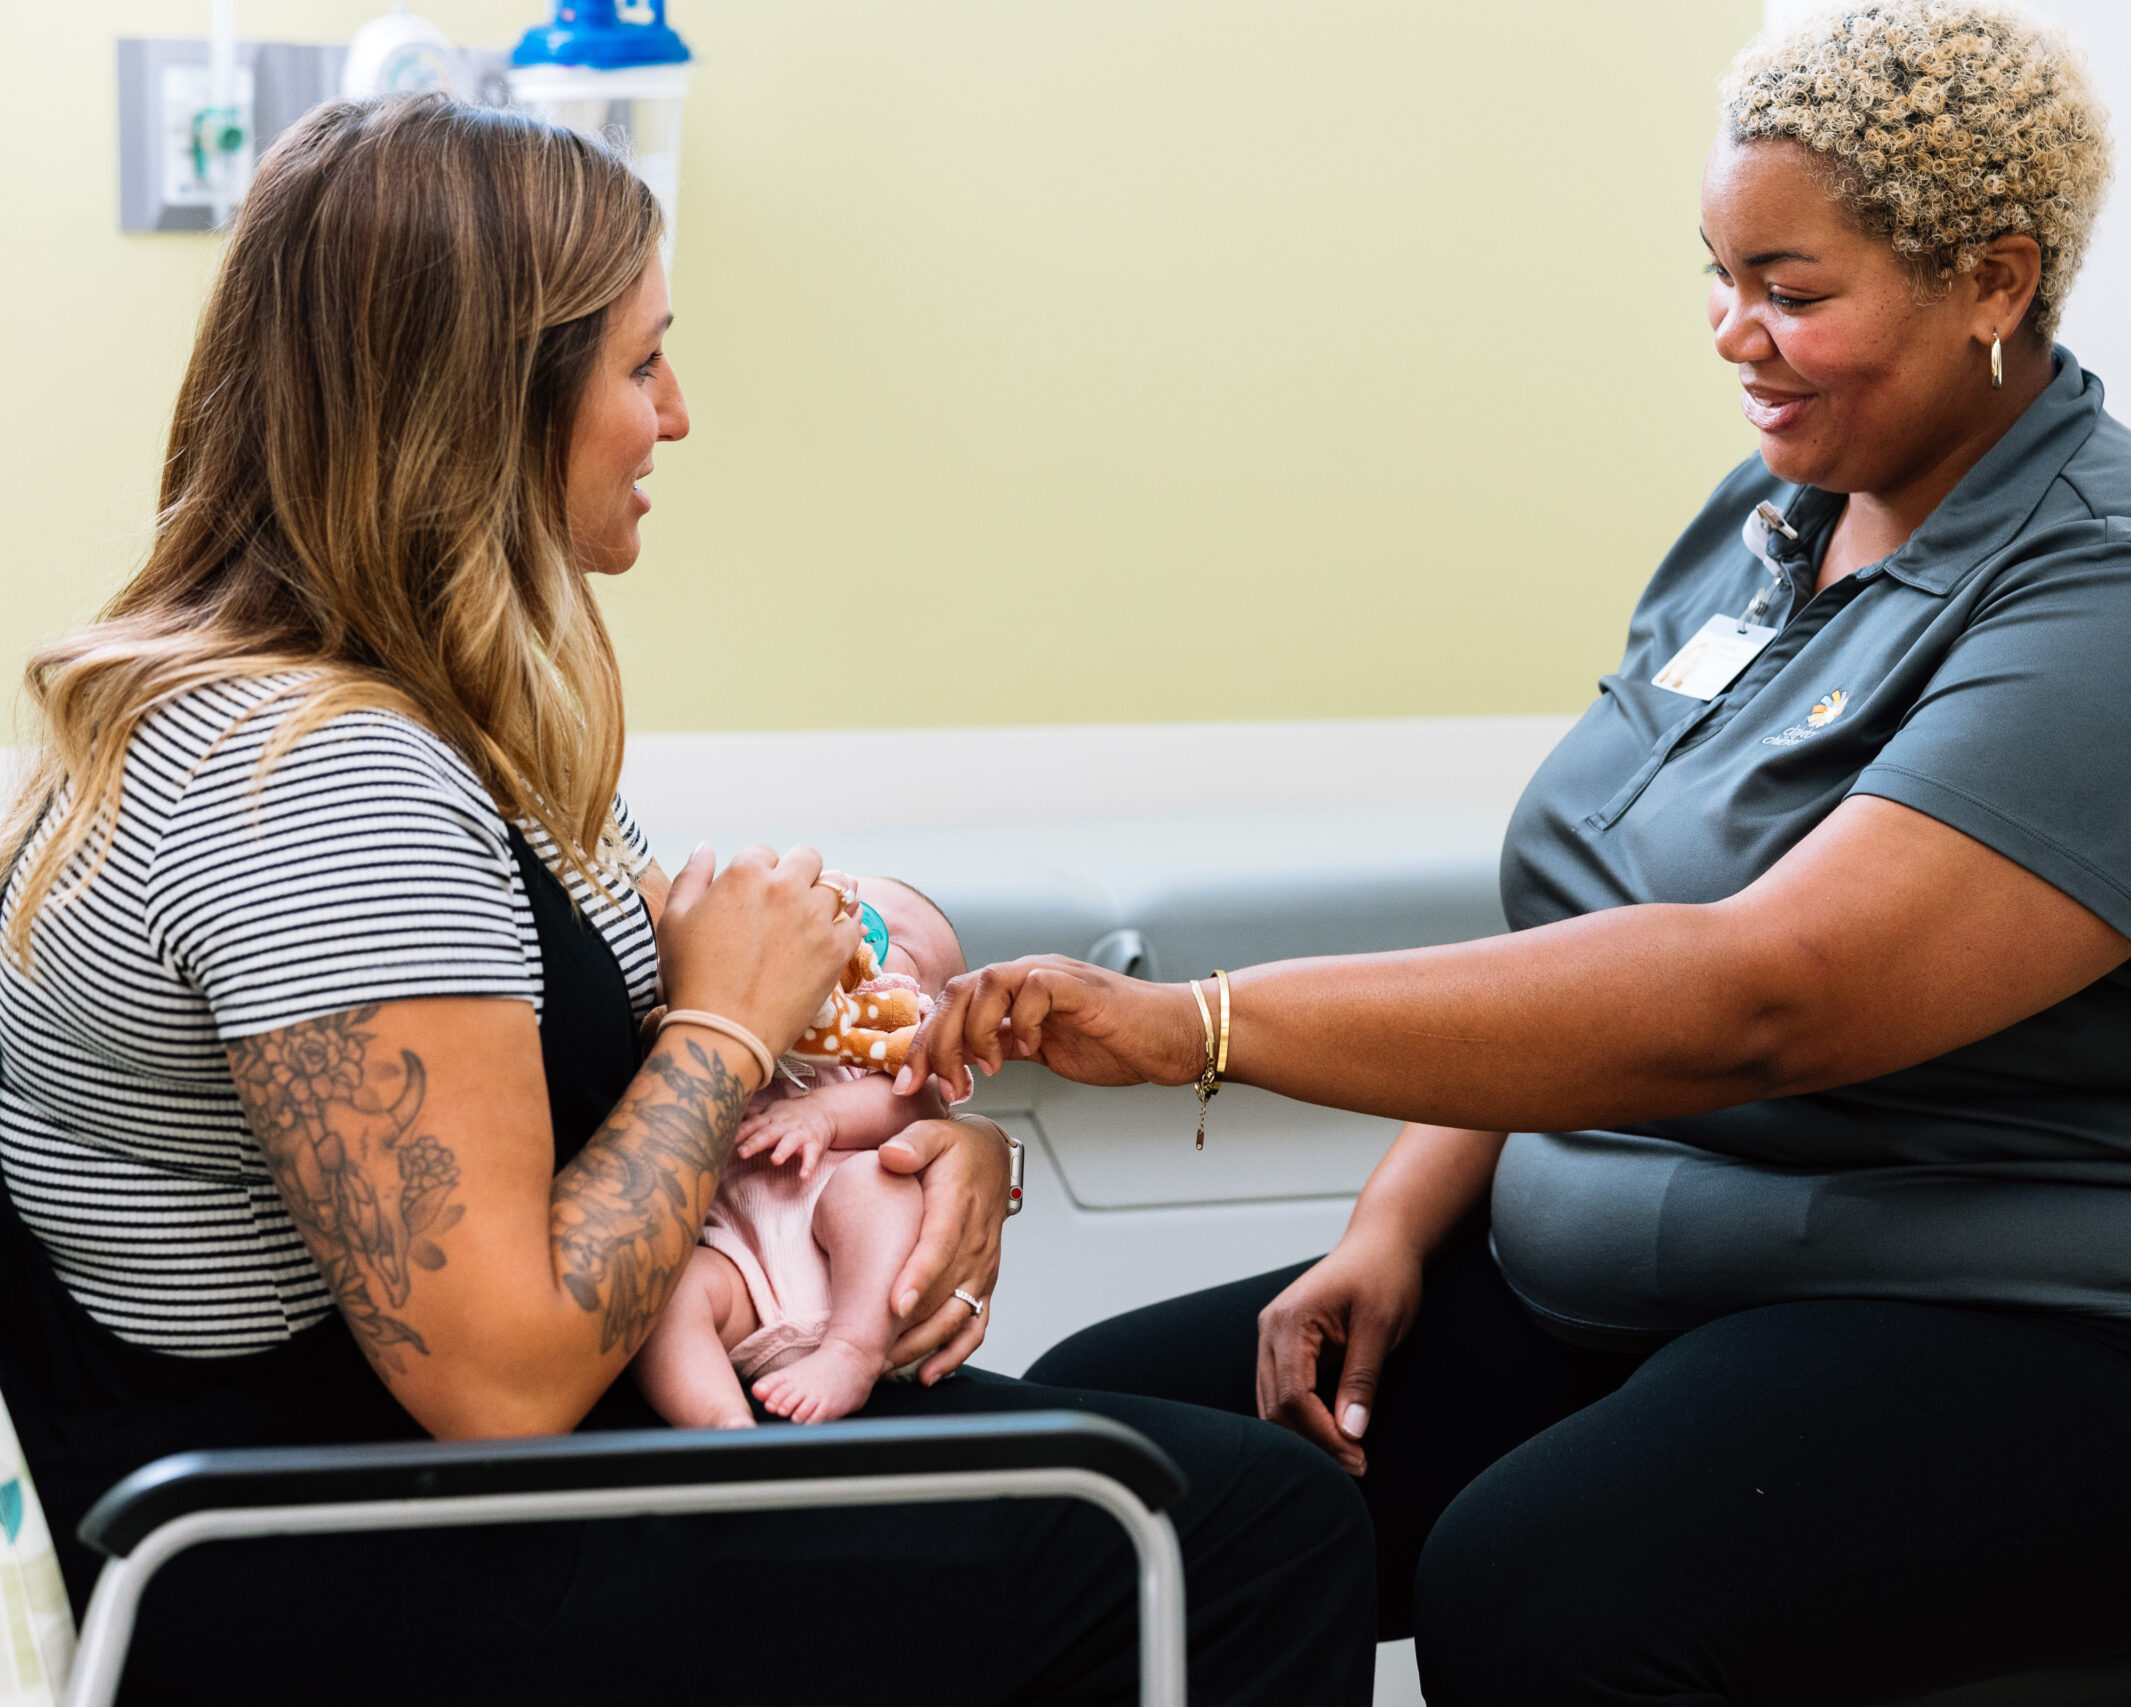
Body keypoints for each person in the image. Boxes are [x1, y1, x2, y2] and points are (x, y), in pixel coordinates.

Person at [908, 4, 2131, 1702]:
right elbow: (1597, 929)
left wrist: (1204, 1025)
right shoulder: (1771, 522)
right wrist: (1394, 1222)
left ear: (1997, 281)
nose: (1732, 333)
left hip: (2109, 1331)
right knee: (1124, 1466)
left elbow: (1768, 994)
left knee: (1551, 1586)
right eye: (1715, 271)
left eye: (1793, 289)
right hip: (1670, 1281)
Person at [0, 95, 1370, 1705]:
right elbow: (504, 1370)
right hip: (387, 1567)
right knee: (1242, 1525)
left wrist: (895, 1118)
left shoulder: (376, 719)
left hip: (416, 1508)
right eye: (640, 364)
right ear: (488, 403)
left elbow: (671, 1009)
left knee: (1140, 1453)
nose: (679, 415)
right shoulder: (324, 787)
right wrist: (726, 1027)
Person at [634, 881, 962, 1427]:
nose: (856, 925)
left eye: (889, 935)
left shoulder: (880, 1048)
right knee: (666, 1292)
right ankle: (720, 1420)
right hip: (745, 1277)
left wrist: (824, 1114)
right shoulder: (745, 1034)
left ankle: (850, 1355)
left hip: (858, 1288)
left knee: (875, 1184)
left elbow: (920, 1106)